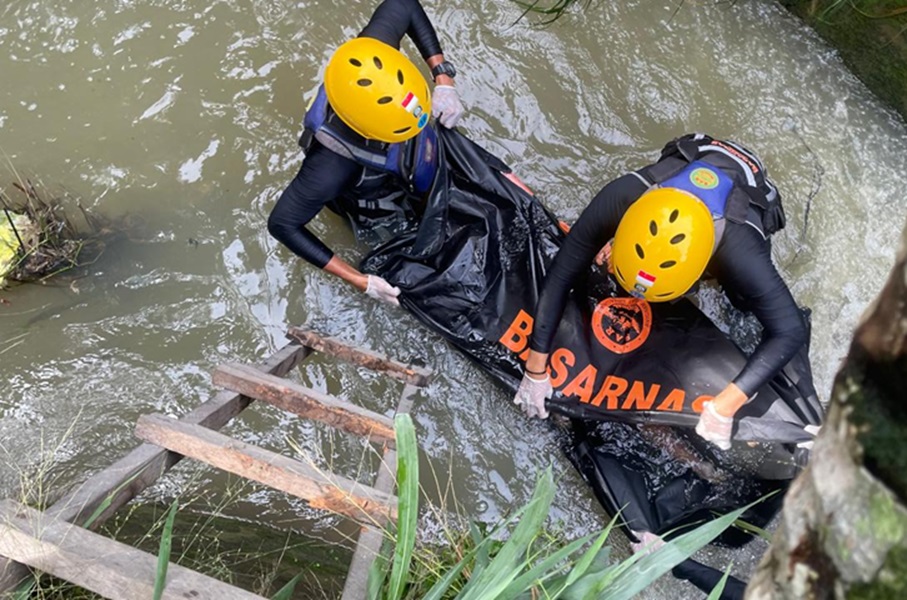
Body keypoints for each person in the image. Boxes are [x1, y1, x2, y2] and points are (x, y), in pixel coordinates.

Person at [513, 133, 808, 450]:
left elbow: (789, 329)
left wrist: (725, 405)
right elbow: (560, 275)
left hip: (746, 194)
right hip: (693, 153)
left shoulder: (741, 250)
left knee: (742, 305)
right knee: (589, 258)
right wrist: (535, 369)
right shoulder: (623, 195)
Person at [267, 0, 464, 307]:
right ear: (377, 134)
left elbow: (402, 4)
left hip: (407, 171)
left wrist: (443, 77)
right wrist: (360, 280)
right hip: (369, 197)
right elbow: (281, 223)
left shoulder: (367, 60)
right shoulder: (331, 167)